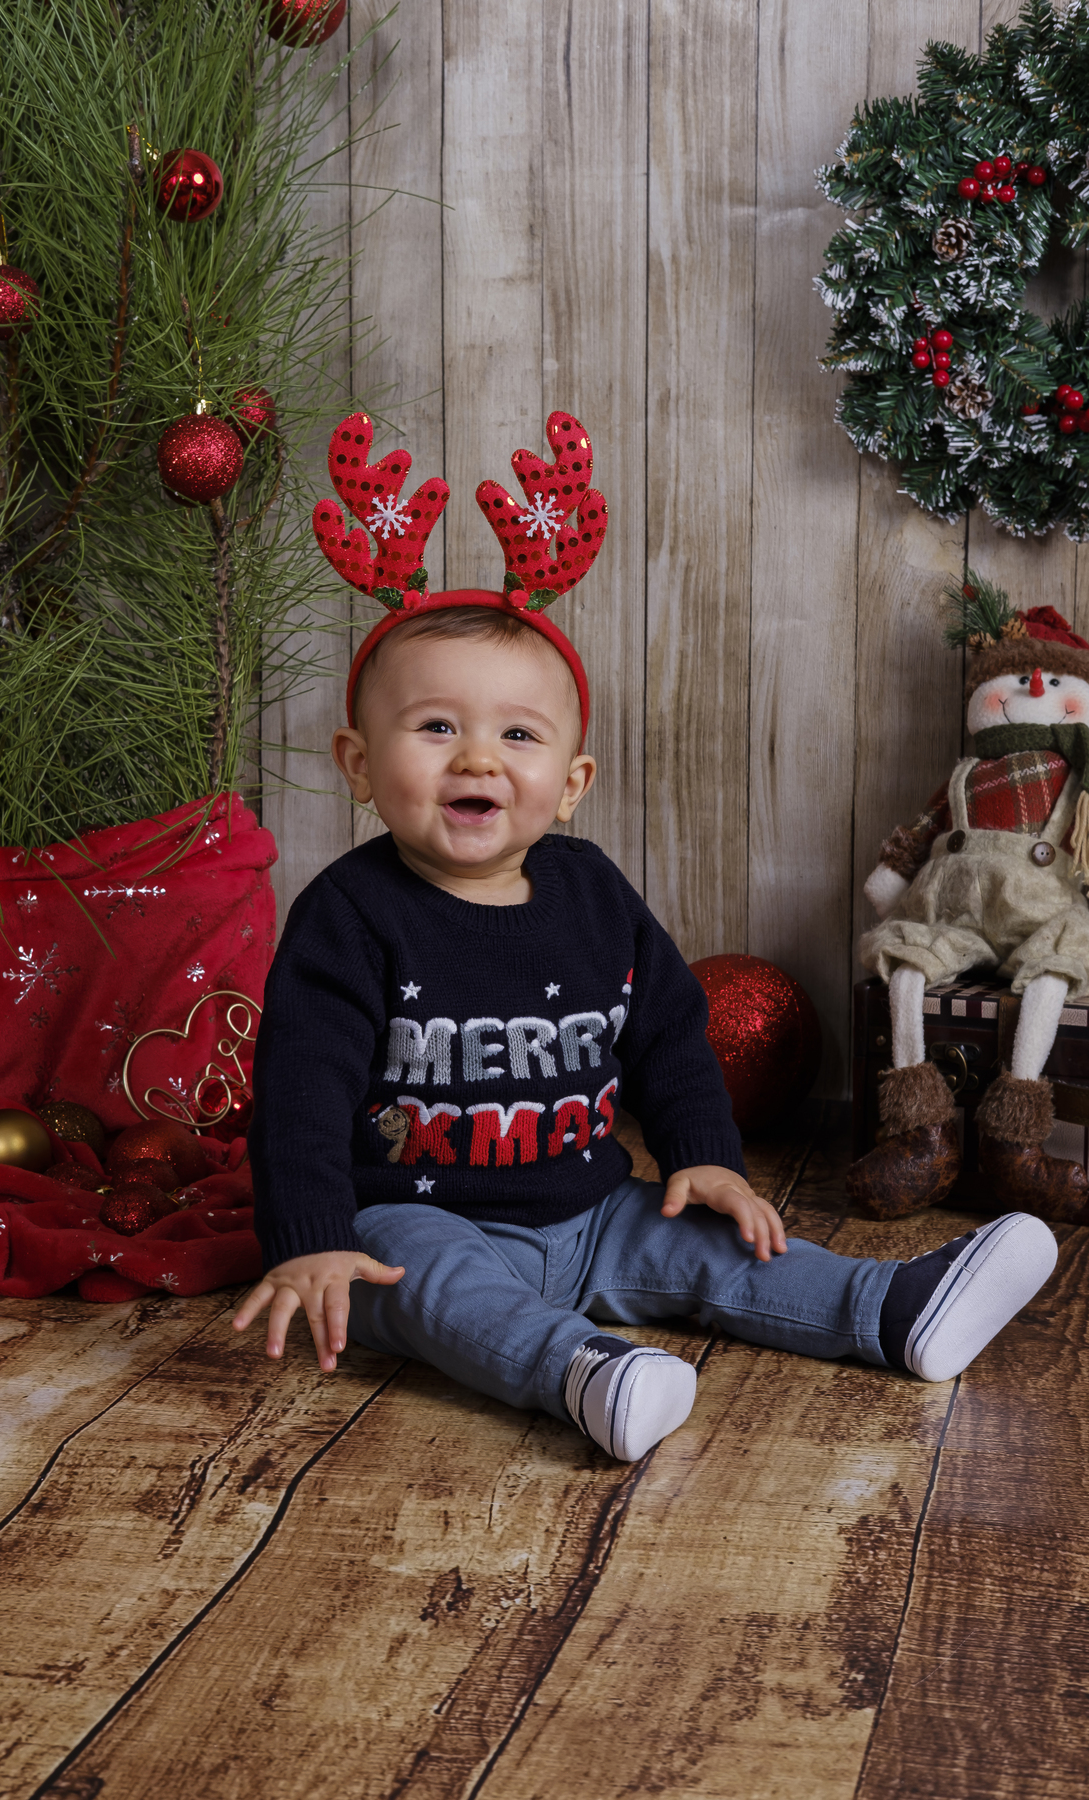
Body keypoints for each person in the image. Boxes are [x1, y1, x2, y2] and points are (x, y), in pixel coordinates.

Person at [235, 410, 1058, 1462]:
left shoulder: (591, 894)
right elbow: (300, 1097)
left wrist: (707, 1160)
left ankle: (890, 1306)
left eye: (517, 734)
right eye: (436, 726)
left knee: (719, 1245)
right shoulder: (350, 915)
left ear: (570, 784)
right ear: (358, 762)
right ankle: (583, 1373)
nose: (476, 757)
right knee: (439, 1289)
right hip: (410, 1220)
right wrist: (311, 1245)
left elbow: (668, 1036)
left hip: (593, 1207)